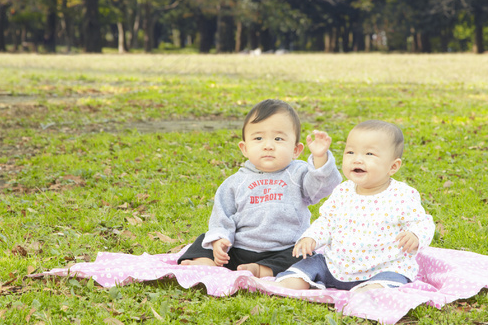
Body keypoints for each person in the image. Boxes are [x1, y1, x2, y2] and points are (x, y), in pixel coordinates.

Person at [178, 99, 343, 278]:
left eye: (278, 139)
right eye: (258, 138)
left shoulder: (299, 174)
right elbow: (222, 215)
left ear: (296, 150)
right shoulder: (236, 182)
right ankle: (208, 262)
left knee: (304, 256)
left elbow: (322, 187)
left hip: (282, 249)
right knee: (205, 240)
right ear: (245, 148)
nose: (268, 145)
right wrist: (220, 239)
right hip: (239, 248)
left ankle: (261, 270)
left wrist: (320, 159)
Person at [274, 120, 434, 291]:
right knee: (306, 268)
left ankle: (370, 290)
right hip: (336, 264)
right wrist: (311, 237)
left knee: (383, 284)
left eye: (369, 154)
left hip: (383, 266)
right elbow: (327, 222)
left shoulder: (402, 196)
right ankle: (293, 281)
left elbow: (423, 223)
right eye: (350, 152)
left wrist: (415, 235)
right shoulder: (342, 192)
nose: (357, 159)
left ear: (393, 166)